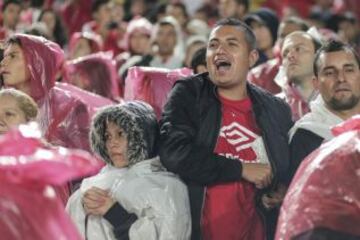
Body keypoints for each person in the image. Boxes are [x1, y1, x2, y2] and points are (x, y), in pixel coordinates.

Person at [159, 18, 293, 240]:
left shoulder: (276, 109)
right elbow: (173, 152)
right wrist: (240, 169)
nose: (219, 50)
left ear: (252, 58)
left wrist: (280, 188)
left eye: (231, 44)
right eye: (213, 45)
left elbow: (285, 167)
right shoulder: (190, 94)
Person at [66, 101, 191, 240]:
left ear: (142, 136)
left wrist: (116, 214)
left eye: (120, 134)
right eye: (108, 136)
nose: (112, 143)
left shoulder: (167, 188)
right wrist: (79, 204)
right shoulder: (95, 183)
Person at [0, 33, 113, 152]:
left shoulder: (69, 106)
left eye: (13, 56)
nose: (2, 63)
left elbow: (83, 159)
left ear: (37, 61)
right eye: (5, 56)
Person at [289, 40, 360, 179]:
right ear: (316, 83)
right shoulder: (306, 135)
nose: (341, 78)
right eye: (329, 73)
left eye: (349, 70)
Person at [279, 31, 322, 120]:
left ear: (319, 56)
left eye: (299, 49)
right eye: (285, 53)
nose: (290, 55)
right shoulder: (274, 106)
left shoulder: (338, 97)